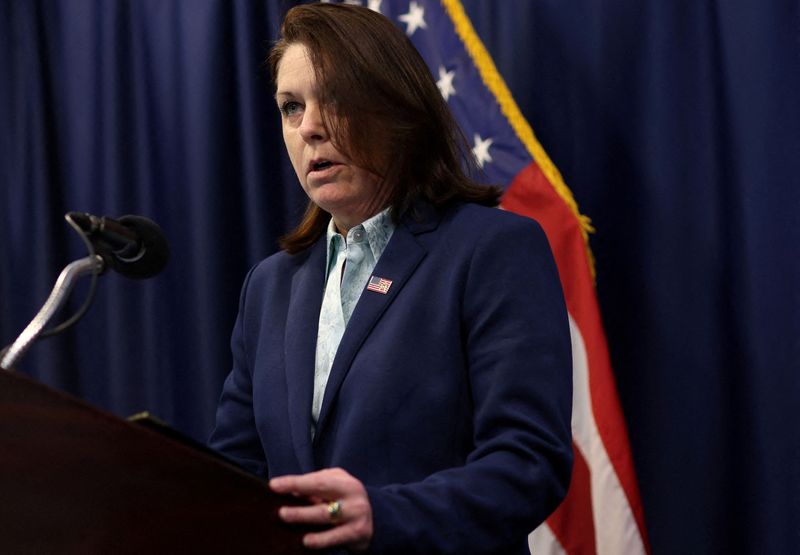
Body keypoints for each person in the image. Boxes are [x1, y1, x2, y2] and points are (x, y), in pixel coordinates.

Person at [209, 4, 573, 554]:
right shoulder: (270, 287)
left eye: (332, 97)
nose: (308, 126)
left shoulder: (490, 251)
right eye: (290, 107)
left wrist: (383, 515)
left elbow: (528, 462)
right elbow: (235, 474)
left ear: (395, 107)